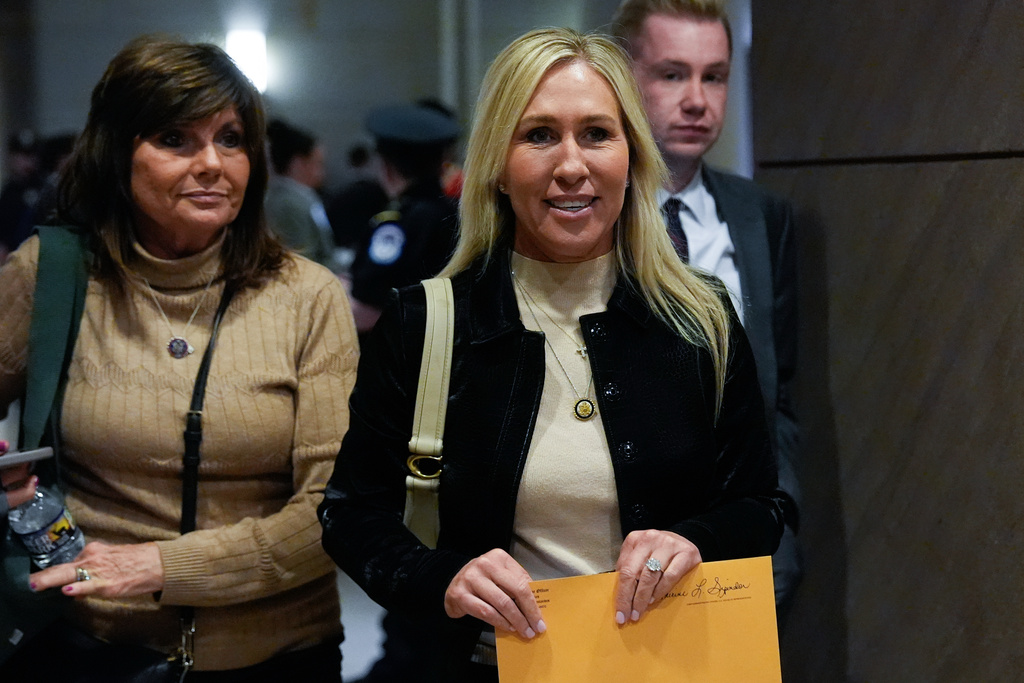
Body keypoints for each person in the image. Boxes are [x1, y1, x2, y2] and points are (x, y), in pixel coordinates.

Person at [319, 27, 790, 682]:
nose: (572, 164)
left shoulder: (700, 316)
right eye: (539, 135)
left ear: (631, 156)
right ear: (497, 167)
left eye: (597, 133)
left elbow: (760, 505)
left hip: (671, 665)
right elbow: (350, 511)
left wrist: (697, 540)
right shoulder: (425, 320)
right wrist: (442, 575)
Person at [0, 36, 358, 680]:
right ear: (118, 152)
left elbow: (336, 510)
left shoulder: (306, 296)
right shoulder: (53, 275)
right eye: (175, 139)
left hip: (276, 656)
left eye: (231, 138)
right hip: (94, 650)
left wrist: (159, 567)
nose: (212, 164)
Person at [612, 0, 803, 623]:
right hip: (612, 557)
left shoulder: (757, 217)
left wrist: (784, 516)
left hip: (741, 546)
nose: (696, 99)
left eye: (713, 76)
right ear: (623, 76)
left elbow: (780, 393)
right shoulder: (582, 215)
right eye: (672, 74)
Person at [346, 103, 460, 335]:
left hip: (402, 356)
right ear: (442, 164)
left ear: (386, 167)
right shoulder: (456, 213)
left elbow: (367, 309)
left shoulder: (397, 224)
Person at [265, 118, 341, 271]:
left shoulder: (298, 197)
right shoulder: (289, 202)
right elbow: (303, 259)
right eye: (318, 163)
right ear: (299, 163)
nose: (322, 172)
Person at [0, 130, 43, 261]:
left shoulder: (44, 188)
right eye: (21, 156)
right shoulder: (8, 194)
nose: (27, 162)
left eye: (31, 155)